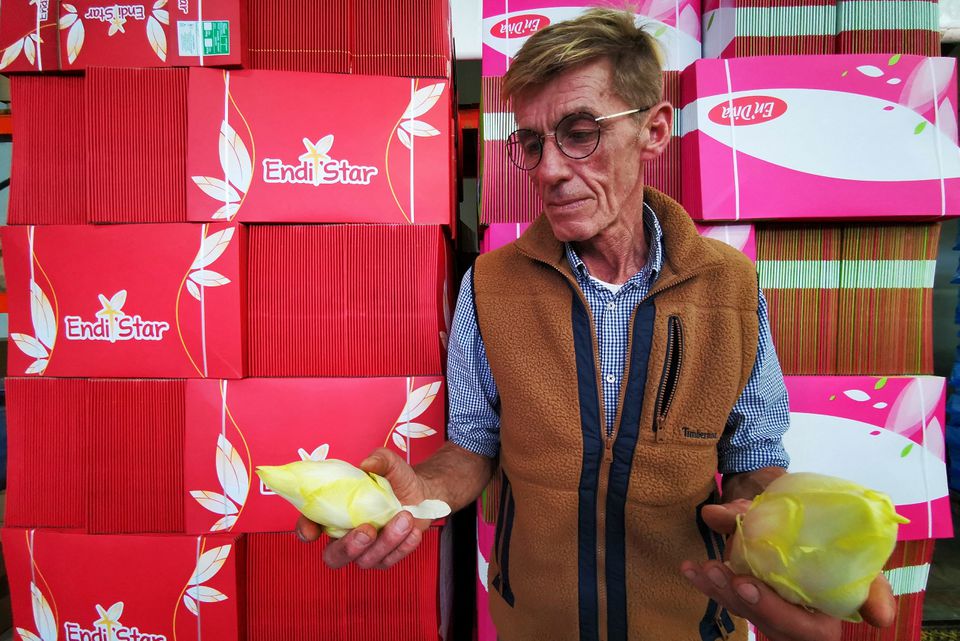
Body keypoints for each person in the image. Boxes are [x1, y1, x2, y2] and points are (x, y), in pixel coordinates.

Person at [297, 9, 896, 641]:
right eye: (531, 143)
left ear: (654, 130)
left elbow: (752, 457)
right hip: (534, 623)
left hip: (690, 622)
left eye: (579, 132)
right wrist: (418, 490)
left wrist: (813, 540)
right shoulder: (490, 284)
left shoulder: (730, 285)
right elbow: (474, 444)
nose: (550, 170)